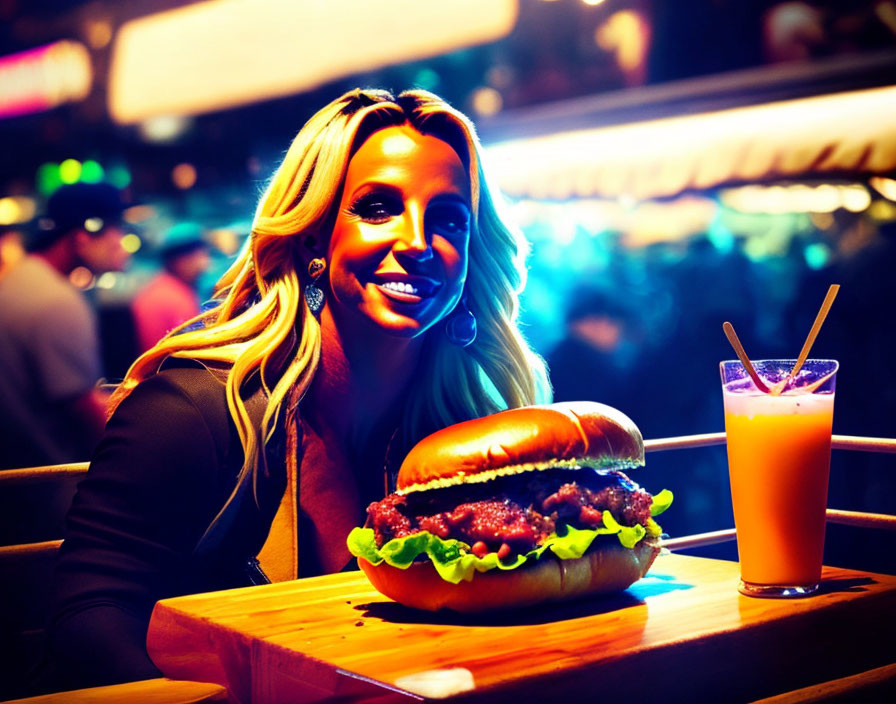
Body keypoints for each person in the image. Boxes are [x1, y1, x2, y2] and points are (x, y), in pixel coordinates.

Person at [47, 88, 551, 692]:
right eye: (379, 207)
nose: (418, 241)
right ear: (314, 237)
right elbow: (86, 623)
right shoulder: (188, 413)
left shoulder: (469, 426)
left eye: (448, 219)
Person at [0, 182, 131, 470]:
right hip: (52, 489)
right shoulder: (57, 302)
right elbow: (86, 417)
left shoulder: (21, 281)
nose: (121, 243)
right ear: (84, 236)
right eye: (116, 230)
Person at [131, 222, 212, 353]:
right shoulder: (175, 297)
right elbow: (193, 350)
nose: (205, 265)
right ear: (181, 260)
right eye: (200, 256)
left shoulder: (157, 289)